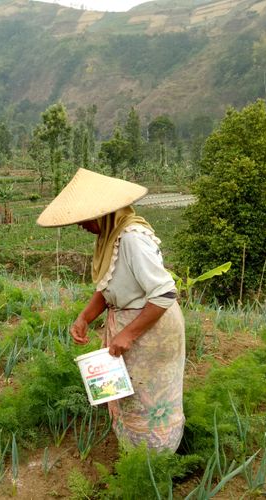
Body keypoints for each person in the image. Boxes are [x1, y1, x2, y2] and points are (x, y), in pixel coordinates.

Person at [37, 168, 185, 452]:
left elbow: (165, 292)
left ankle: (157, 459)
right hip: (133, 326)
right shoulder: (110, 238)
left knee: (150, 398)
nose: (80, 225)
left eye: (83, 219)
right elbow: (111, 288)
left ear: (103, 213)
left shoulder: (131, 238)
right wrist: (84, 318)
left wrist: (128, 334)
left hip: (151, 331)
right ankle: (134, 452)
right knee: (128, 395)